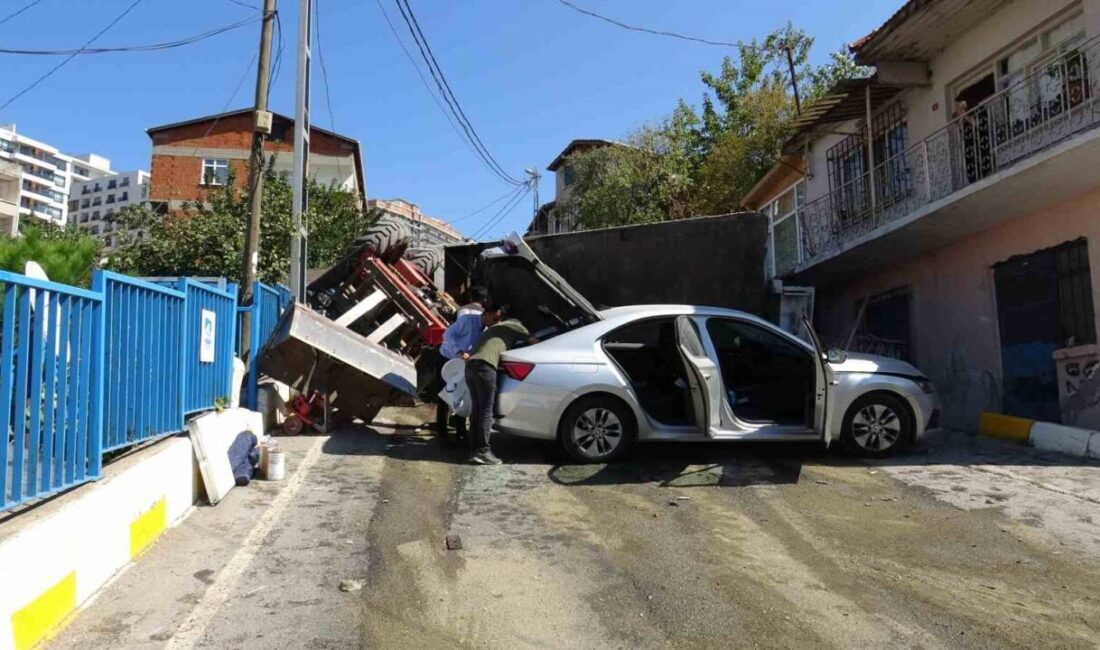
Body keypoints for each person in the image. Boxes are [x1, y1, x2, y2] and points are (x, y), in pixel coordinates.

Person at [465, 304, 537, 465]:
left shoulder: (495, 328)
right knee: (486, 411)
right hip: (485, 367)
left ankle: (473, 451)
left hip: (470, 366)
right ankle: (483, 452)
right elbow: (536, 343)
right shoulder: (516, 325)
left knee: (476, 410)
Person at [435, 286, 490, 440]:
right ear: (484, 301)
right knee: (463, 394)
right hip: (458, 358)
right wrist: (460, 352)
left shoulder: (461, 311)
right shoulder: (483, 316)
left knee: (445, 395)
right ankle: (460, 431)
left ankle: (443, 433)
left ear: (470, 297)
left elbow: (448, 331)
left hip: (449, 357)